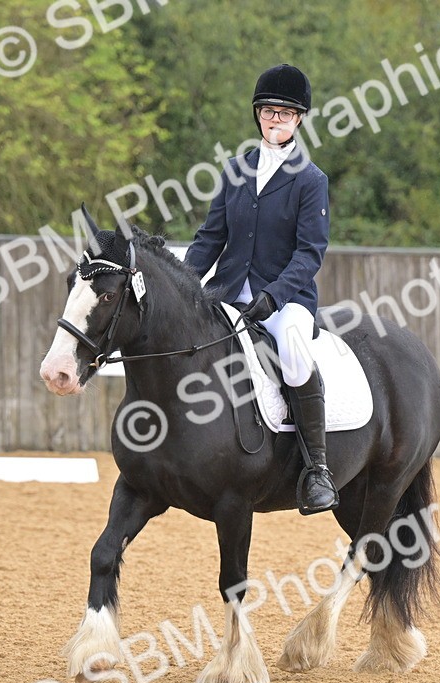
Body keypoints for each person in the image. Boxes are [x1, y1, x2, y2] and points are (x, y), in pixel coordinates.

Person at [185, 63, 338, 515]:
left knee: (292, 353)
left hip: (284, 300)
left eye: (286, 113)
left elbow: (310, 252)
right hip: (229, 291)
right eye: (269, 111)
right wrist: (185, 285)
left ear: (299, 120)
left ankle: (318, 470)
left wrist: (273, 296)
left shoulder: (312, 180)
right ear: (258, 115)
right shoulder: (235, 170)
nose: (276, 119)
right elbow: (211, 237)